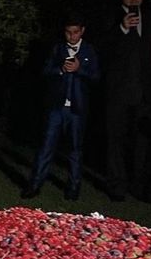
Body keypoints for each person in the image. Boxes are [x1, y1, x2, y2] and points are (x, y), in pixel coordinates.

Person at [21, 13, 100, 201]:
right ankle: (34, 185)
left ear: (82, 32)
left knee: (75, 149)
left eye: (75, 32)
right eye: (68, 32)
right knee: (46, 146)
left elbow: (96, 76)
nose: (71, 36)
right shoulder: (57, 49)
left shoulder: (89, 51)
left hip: (78, 109)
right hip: (57, 108)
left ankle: (73, 188)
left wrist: (79, 69)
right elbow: (46, 71)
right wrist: (61, 70)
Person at [100, 0, 151, 202]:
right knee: (115, 139)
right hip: (118, 92)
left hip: (143, 92)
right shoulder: (111, 18)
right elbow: (103, 48)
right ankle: (116, 186)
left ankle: (138, 186)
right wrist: (122, 28)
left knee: (141, 141)